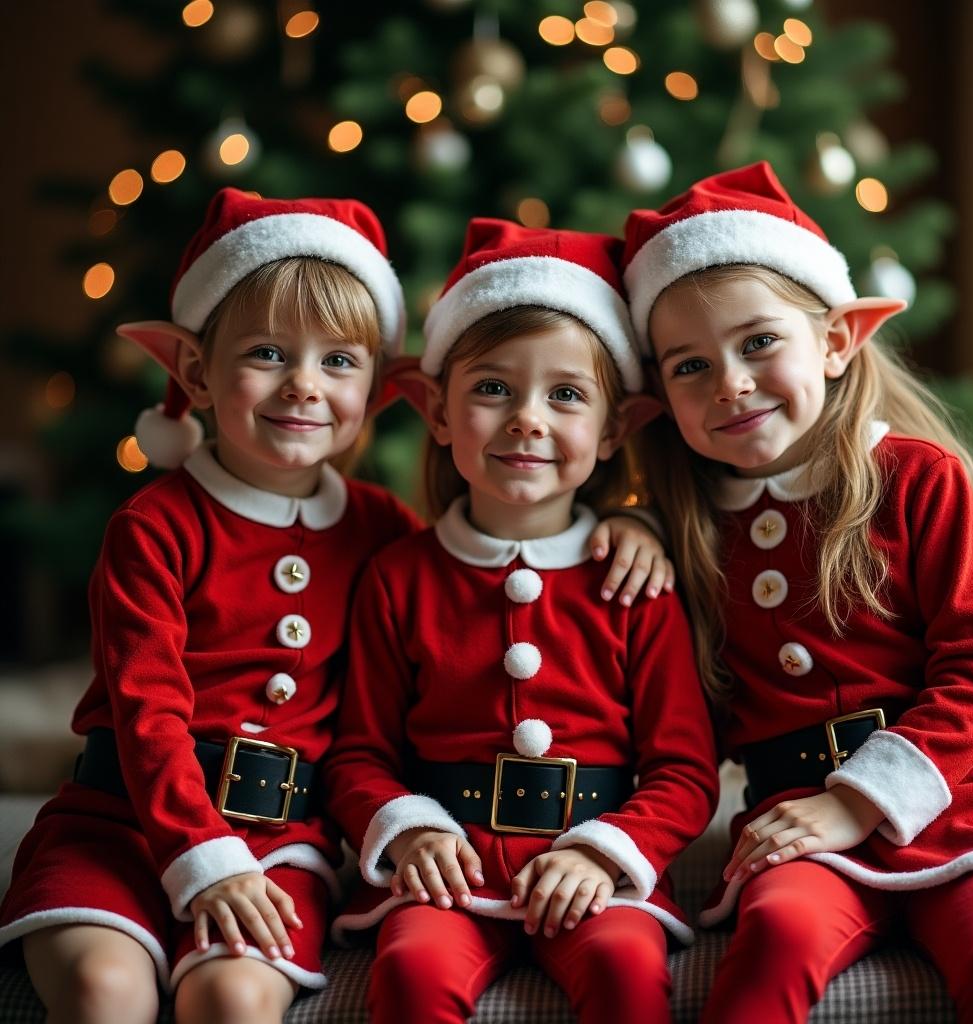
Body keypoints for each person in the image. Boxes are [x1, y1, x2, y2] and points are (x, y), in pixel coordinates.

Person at [0, 190, 668, 1024]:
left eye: (339, 362)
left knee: (235, 999)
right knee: (106, 991)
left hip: (281, 841)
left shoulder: (382, 531)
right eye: (270, 353)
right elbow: (144, 713)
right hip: (122, 822)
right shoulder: (153, 525)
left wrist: (634, 520)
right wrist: (201, 853)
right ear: (196, 373)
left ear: (382, 391)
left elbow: (500, 559)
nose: (304, 387)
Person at [621, 161, 973, 1023]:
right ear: (658, 397)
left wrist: (857, 801)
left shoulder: (917, 478)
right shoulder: (682, 525)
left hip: (955, 803)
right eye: (689, 366)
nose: (728, 382)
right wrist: (628, 530)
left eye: (759, 342)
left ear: (838, 341)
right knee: (772, 949)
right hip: (788, 828)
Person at [322, 219, 720, 1024]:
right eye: (493, 388)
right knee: (410, 972)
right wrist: (407, 834)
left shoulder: (634, 579)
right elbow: (357, 754)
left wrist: (604, 852)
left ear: (613, 431)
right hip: (446, 874)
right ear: (435, 411)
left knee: (622, 968)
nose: (527, 418)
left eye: (566, 395)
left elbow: (685, 772)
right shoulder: (398, 577)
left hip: (595, 869)